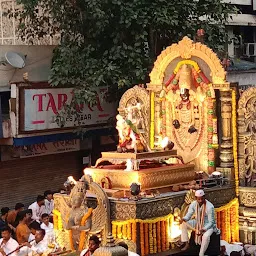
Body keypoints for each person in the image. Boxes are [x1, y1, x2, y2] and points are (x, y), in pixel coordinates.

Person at [180, 189, 218, 256]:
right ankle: (186, 244)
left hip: (208, 226)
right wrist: (184, 219)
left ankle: (201, 253)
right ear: (196, 198)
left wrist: (204, 229)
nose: (200, 201)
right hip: (197, 222)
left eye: (201, 199)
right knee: (183, 224)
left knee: (206, 236)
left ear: (204, 197)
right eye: (198, 199)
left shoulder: (210, 206)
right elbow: (189, 214)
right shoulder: (193, 204)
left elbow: (211, 222)